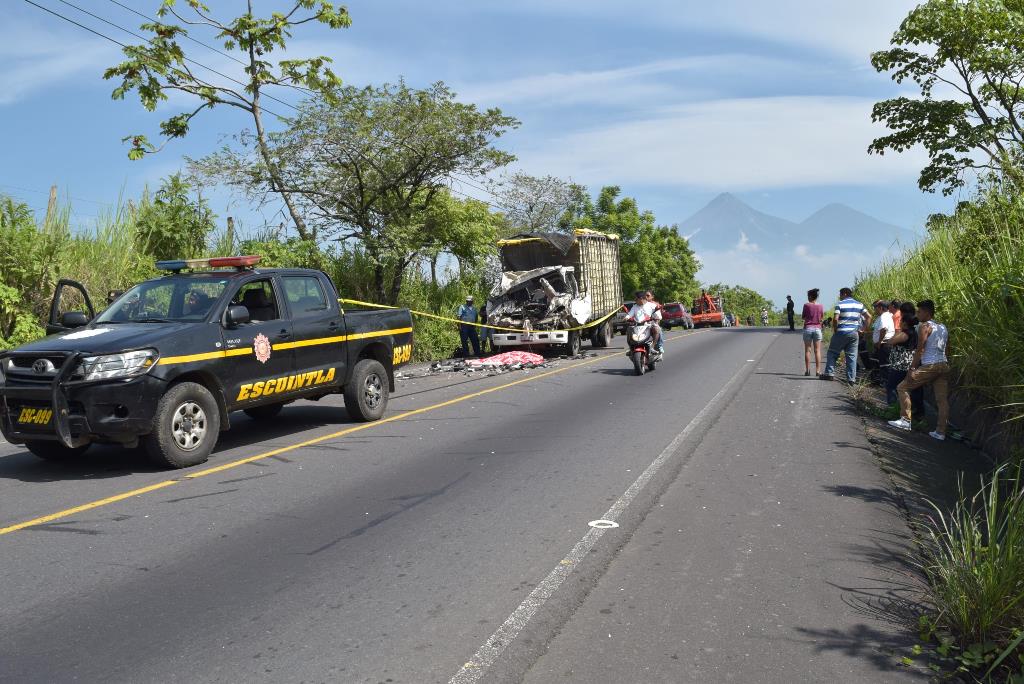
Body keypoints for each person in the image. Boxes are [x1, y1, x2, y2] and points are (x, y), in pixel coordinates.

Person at [888, 299, 951, 440]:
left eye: (919, 311)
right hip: (943, 365)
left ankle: (905, 420)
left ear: (927, 312)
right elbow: (947, 348)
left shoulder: (925, 326)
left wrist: (912, 368)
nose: (917, 314)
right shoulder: (943, 327)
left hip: (930, 365)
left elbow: (920, 349)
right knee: (942, 400)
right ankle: (940, 432)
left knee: (902, 387)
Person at [822, 287, 871, 382]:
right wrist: (863, 330)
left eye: (840, 294)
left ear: (844, 294)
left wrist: (836, 330)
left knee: (832, 352)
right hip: (854, 333)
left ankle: (829, 373)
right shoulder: (859, 305)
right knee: (852, 356)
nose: (839, 296)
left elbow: (835, 319)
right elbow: (869, 316)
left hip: (841, 331)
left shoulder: (840, 304)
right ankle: (851, 379)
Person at [879, 311, 919, 406]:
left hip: (901, 365)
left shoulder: (906, 333)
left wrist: (897, 332)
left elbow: (891, 341)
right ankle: (899, 408)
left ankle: (893, 408)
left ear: (905, 323)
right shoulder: (913, 332)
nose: (899, 322)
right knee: (899, 388)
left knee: (891, 386)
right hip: (904, 364)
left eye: (901, 321)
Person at [625, 291, 661, 355]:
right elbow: (630, 314)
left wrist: (657, 318)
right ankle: (631, 348)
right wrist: (627, 317)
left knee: (657, 329)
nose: (635, 300)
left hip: (649, 325)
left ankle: (652, 347)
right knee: (629, 330)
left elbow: (658, 314)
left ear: (642, 298)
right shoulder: (635, 306)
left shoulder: (652, 305)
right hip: (637, 325)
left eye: (636, 299)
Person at [869, 299, 896, 380]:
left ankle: (887, 385)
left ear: (880, 308)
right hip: (881, 344)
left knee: (885, 366)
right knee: (876, 362)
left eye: (875, 307)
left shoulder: (884, 316)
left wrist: (879, 342)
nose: (874, 309)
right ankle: (878, 381)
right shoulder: (882, 316)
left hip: (884, 344)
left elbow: (883, 329)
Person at [801, 288, 824, 377]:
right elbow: (821, 317)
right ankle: (818, 371)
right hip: (817, 329)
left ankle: (807, 371)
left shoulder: (806, 305)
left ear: (810, 296)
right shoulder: (820, 306)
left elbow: (803, 317)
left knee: (808, 350)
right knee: (817, 350)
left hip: (808, 328)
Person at [645, 290, 665, 355]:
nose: (646, 297)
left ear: (652, 297)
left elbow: (658, 316)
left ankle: (659, 346)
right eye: (645, 295)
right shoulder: (640, 304)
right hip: (642, 325)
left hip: (652, 323)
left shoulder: (655, 305)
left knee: (658, 329)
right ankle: (631, 348)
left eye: (648, 295)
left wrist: (656, 321)